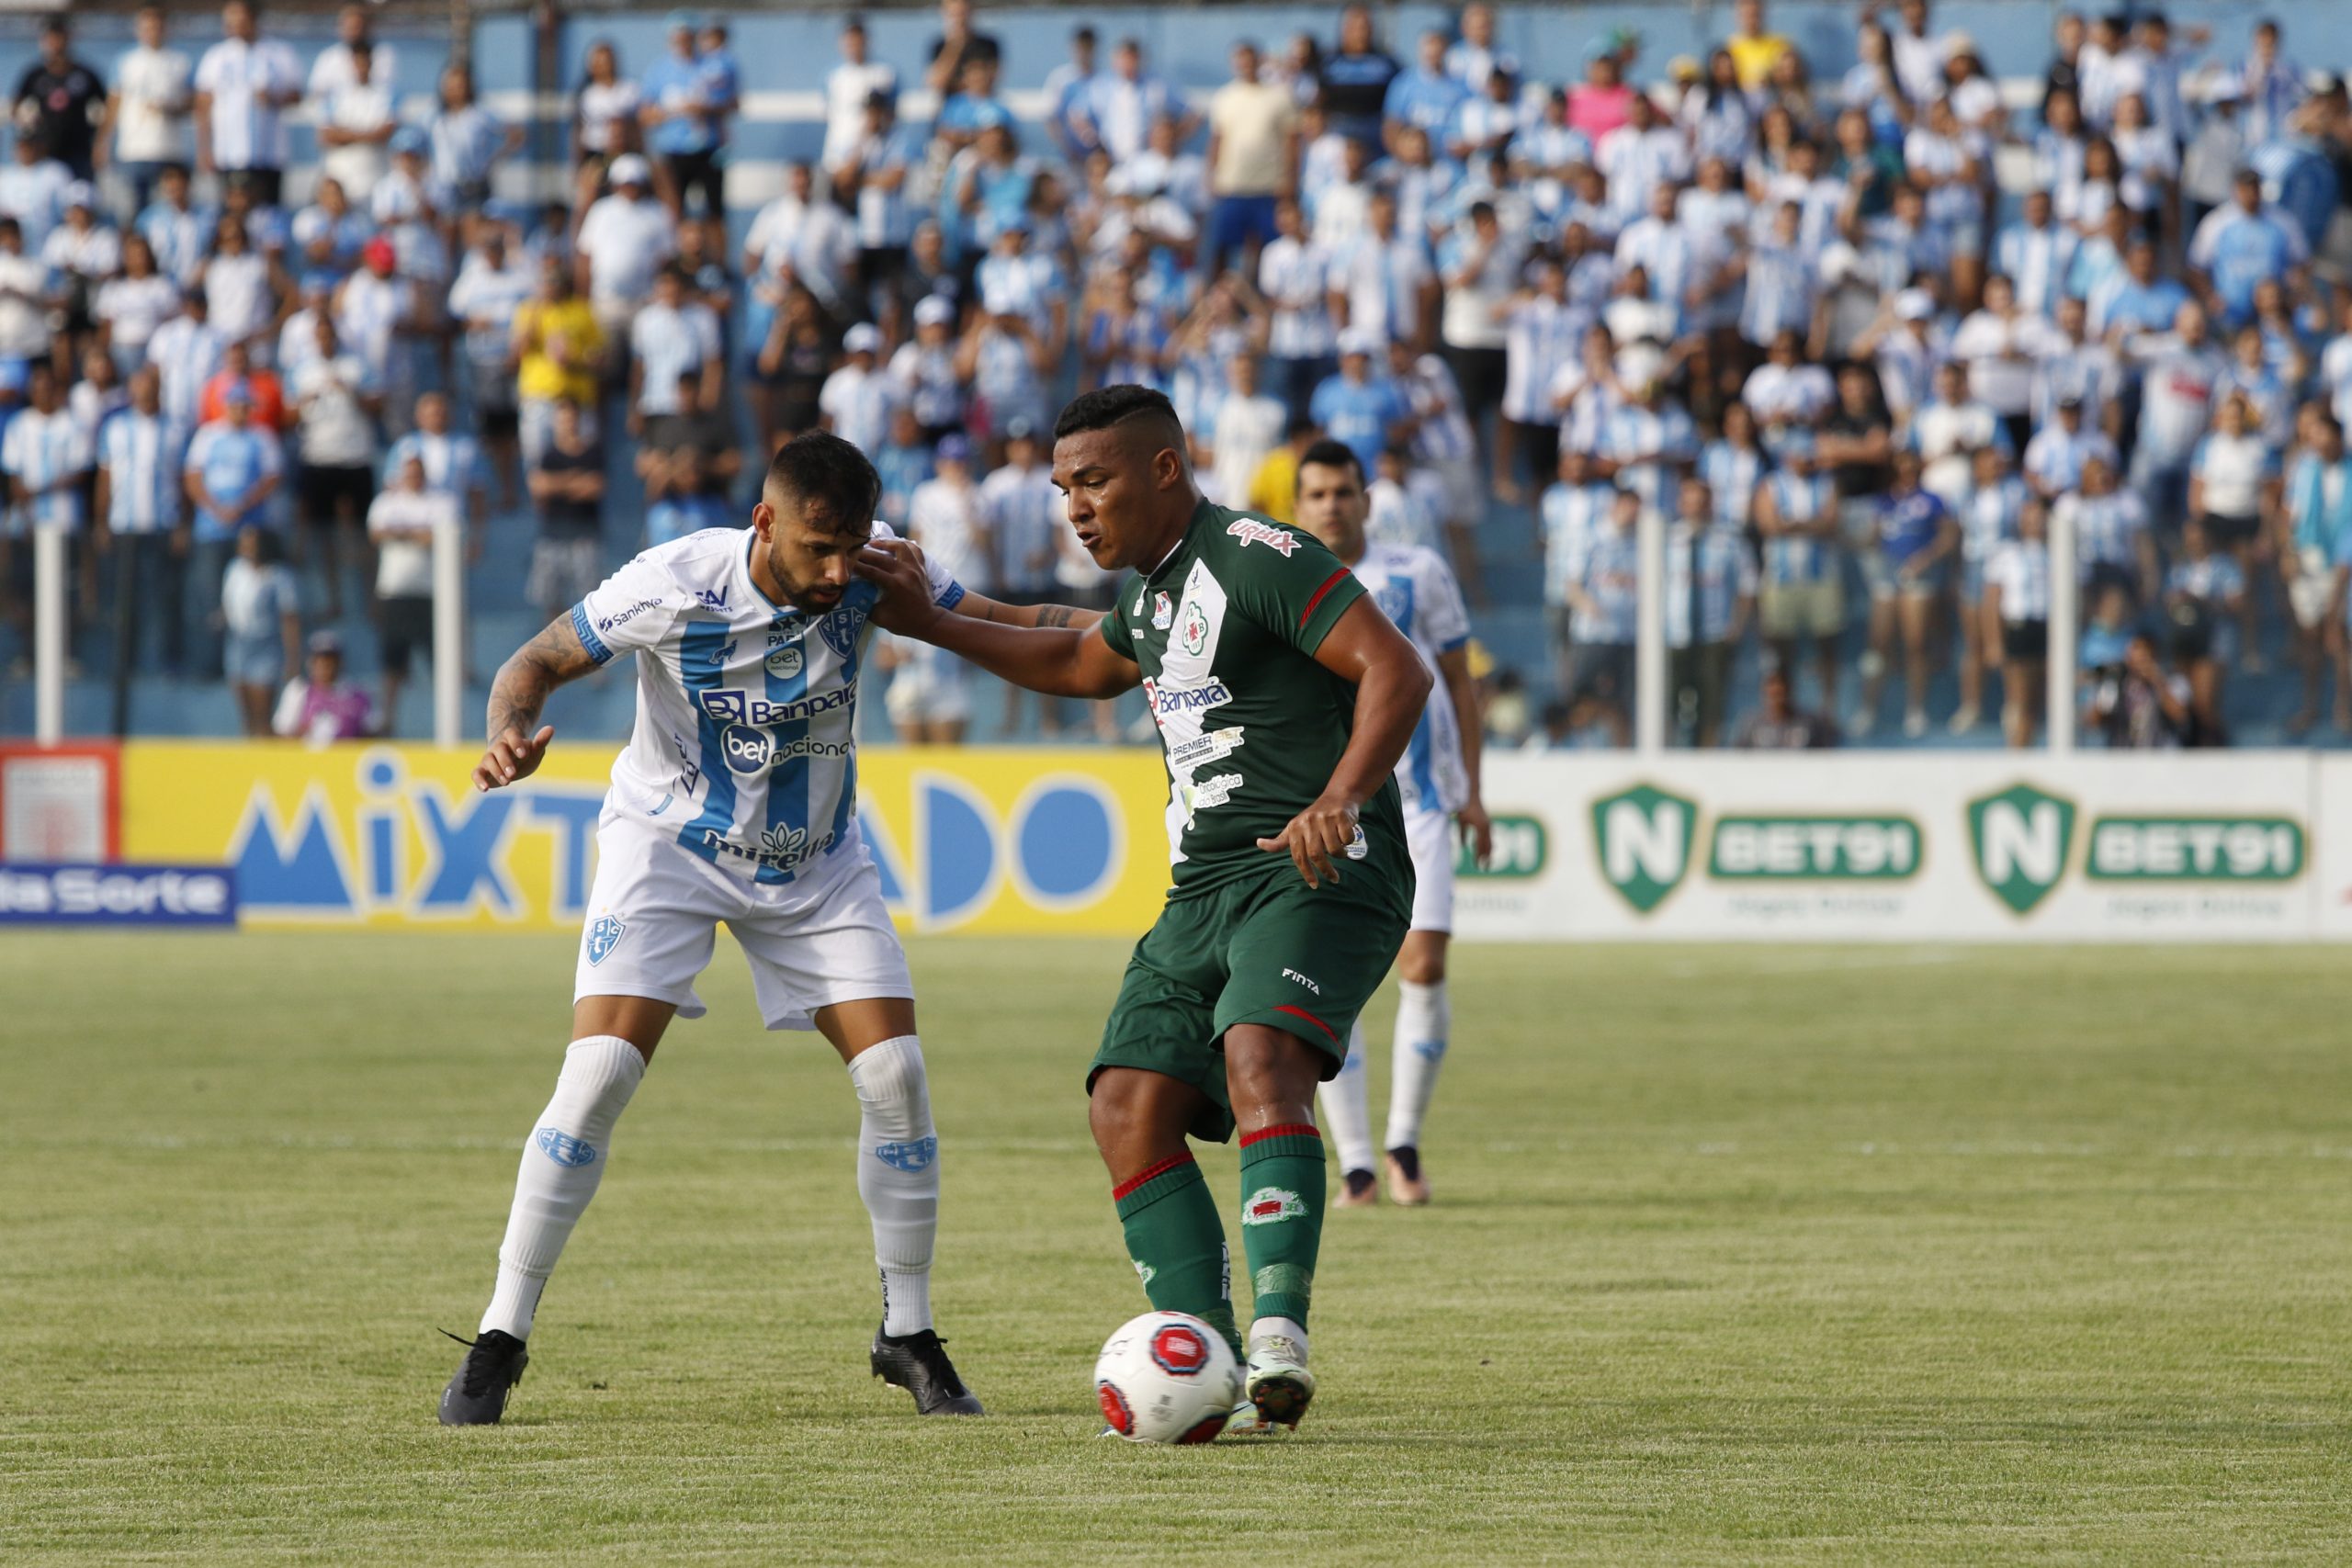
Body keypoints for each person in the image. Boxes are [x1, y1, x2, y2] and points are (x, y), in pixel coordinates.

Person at [438, 428, 1090, 1426]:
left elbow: (1014, 622)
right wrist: (506, 733)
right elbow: (536, 660)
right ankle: (500, 1336)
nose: (838, 571)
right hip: (669, 847)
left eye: (853, 545)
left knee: (895, 1075)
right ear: (764, 521)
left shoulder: (878, 571)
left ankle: (906, 1332)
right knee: (599, 1074)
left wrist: (1143, 622)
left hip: (814, 863)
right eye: (817, 546)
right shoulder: (674, 583)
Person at [855, 384, 1431, 1434]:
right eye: (1062, 486)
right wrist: (933, 615)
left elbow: (1396, 667)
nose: (1074, 505)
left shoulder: (1261, 553)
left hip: (1317, 870)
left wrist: (1339, 797)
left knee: (1261, 1057)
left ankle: (1277, 1341)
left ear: (1164, 469)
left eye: (1095, 480)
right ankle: (1204, 1357)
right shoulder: (1157, 593)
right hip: (1205, 884)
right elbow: (1076, 655)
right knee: (1124, 1104)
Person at [1288, 438, 1486, 1209]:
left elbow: (1460, 683)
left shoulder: (1419, 571)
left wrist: (1474, 789)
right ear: (1298, 505)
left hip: (1424, 803)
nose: (1332, 505)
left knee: (1424, 965)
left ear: (1368, 499)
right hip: (1332, 807)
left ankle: (1404, 1141)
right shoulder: (1284, 576)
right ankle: (1360, 1165)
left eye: (1344, 491)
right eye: (1317, 494)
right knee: (1329, 984)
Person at [1859, 448, 1958, 740]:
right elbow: (1873, 538)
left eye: (1911, 468)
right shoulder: (1884, 501)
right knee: (1879, 643)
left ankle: (1916, 708)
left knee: (1916, 643)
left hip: (1919, 576)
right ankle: (1870, 707)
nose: (1907, 474)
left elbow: (1949, 536)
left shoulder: (1933, 500)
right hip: (1888, 575)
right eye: (1901, 468)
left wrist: (1923, 560)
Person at [96, 366, 187, 677]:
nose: (145, 394)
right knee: (125, 601)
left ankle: (169, 662)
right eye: (140, 387)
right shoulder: (115, 428)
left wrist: (182, 525)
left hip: (162, 525)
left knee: (165, 598)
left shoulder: (174, 429)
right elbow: (105, 478)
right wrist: (101, 522)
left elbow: (182, 480)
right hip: (125, 526)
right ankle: (125, 666)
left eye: (151, 387)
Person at [288, 314, 379, 619]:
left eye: (329, 335)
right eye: (320, 336)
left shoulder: (357, 366)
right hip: (319, 457)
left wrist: (351, 392)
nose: (325, 341)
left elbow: (378, 405)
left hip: (355, 455)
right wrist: (305, 401)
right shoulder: (302, 370)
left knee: (362, 534)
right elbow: (288, 417)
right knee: (324, 536)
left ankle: (369, 599)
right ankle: (333, 600)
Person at [192, 0, 303, 208]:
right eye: (231, 19)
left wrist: (274, 98)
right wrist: (204, 149)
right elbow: (203, 106)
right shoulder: (217, 56)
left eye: (240, 19)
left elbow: (297, 95)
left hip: (269, 153)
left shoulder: (279, 52)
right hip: (228, 153)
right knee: (232, 216)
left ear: (253, 19)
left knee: (268, 213)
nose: (235, 24)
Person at [105, 6, 195, 216]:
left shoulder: (180, 62)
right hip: (133, 149)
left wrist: (171, 108)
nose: (152, 32)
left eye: (157, 27)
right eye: (147, 27)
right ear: (138, 29)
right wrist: (103, 142)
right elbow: (113, 103)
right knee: (133, 211)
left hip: (170, 149)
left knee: (170, 211)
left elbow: (193, 103)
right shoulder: (125, 61)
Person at [525, 398, 605, 628]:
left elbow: (595, 487)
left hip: (585, 535)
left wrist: (556, 485)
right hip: (553, 534)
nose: (567, 424)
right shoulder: (548, 454)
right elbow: (538, 486)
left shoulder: (592, 451)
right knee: (551, 601)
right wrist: (574, 481)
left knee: (590, 602)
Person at [219, 521, 299, 736]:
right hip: (238, 642)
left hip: (266, 644)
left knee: (263, 711)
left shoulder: (279, 576)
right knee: (246, 712)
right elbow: (229, 604)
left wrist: (292, 658)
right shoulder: (235, 569)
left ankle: (265, 756)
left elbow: (289, 618)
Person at [17, 17, 106, 184]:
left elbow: (107, 106)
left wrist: (100, 143)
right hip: (44, 152)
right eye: (51, 37)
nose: (56, 43)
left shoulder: (85, 74)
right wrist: (27, 129)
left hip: (79, 151)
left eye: (60, 37)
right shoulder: (35, 75)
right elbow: (17, 104)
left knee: (80, 200)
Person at [272, 626, 373, 742]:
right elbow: (281, 734)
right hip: (307, 757)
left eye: (331, 660)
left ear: (340, 662)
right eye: (319, 660)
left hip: (347, 757)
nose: (325, 666)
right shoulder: (298, 689)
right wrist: (308, 730)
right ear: (310, 662)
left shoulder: (356, 693)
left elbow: (372, 732)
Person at [1732, 662, 1839, 748]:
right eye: (1772, 695)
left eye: (1780, 694)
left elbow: (1823, 757)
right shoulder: (1751, 725)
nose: (1776, 700)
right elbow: (1737, 759)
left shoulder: (1808, 723)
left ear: (1788, 693)